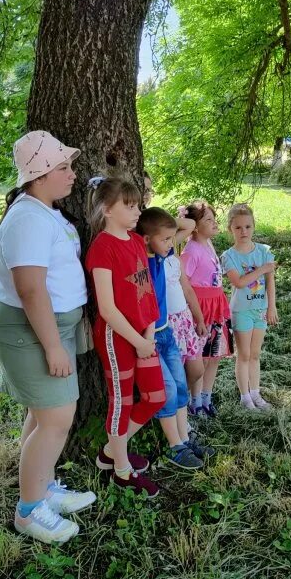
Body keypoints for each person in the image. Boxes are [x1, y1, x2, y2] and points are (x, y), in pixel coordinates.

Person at [0, 131, 95, 543]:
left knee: (41, 415)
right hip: (33, 333)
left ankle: (42, 488)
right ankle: (30, 511)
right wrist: (53, 345)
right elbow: (30, 290)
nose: (72, 174)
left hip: (51, 328)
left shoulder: (43, 211)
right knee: (56, 420)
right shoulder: (29, 218)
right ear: (38, 174)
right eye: (63, 167)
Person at [84, 176, 165, 497]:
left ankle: (111, 451)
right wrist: (137, 340)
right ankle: (121, 470)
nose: (137, 211)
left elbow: (145, 291)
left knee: (155, 397)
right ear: (107, 209)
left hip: (144, 334)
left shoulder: (134, 240)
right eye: (129, 206)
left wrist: (148, 332)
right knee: (122, 401)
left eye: (137, 204)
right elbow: (107, 308)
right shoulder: (102, 248)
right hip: (117, 339)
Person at [136, 208, 214, 466]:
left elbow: (189, 224)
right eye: (167, 239)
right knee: (168, 389)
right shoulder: (141, 260)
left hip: (167, 330)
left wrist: (161, 225)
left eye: (171, 239)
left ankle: (184, 437)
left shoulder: (162, 253)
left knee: (180, 384)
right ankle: (174, 446)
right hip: (151, 336)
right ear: (147, 239)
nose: (172, 245)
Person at [220, 203, 278, 411]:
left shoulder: (263, 251)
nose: (243, 231)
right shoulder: (229, 256)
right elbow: (239, 282)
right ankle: (245, 396)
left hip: (260, 309)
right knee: (243, 354)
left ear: (253, 227)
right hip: (241, 310)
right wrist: (262, 269)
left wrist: (272, 306)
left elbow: (270, 281)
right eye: (238, 228)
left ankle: (256, 393)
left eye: (248, 227)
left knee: (255, 354)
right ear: (230, 229)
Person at [180, 200, 234, 417]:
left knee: (214, 355)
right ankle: (194, 402)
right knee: (200, 357)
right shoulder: (191, 250)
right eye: (208, 220)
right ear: (194, 226)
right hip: (201, 310)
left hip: (217, 305)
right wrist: (197, 315)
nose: (214, 223)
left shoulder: (208, 244)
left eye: (214, 218)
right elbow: (184, 283)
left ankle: (206, 398)